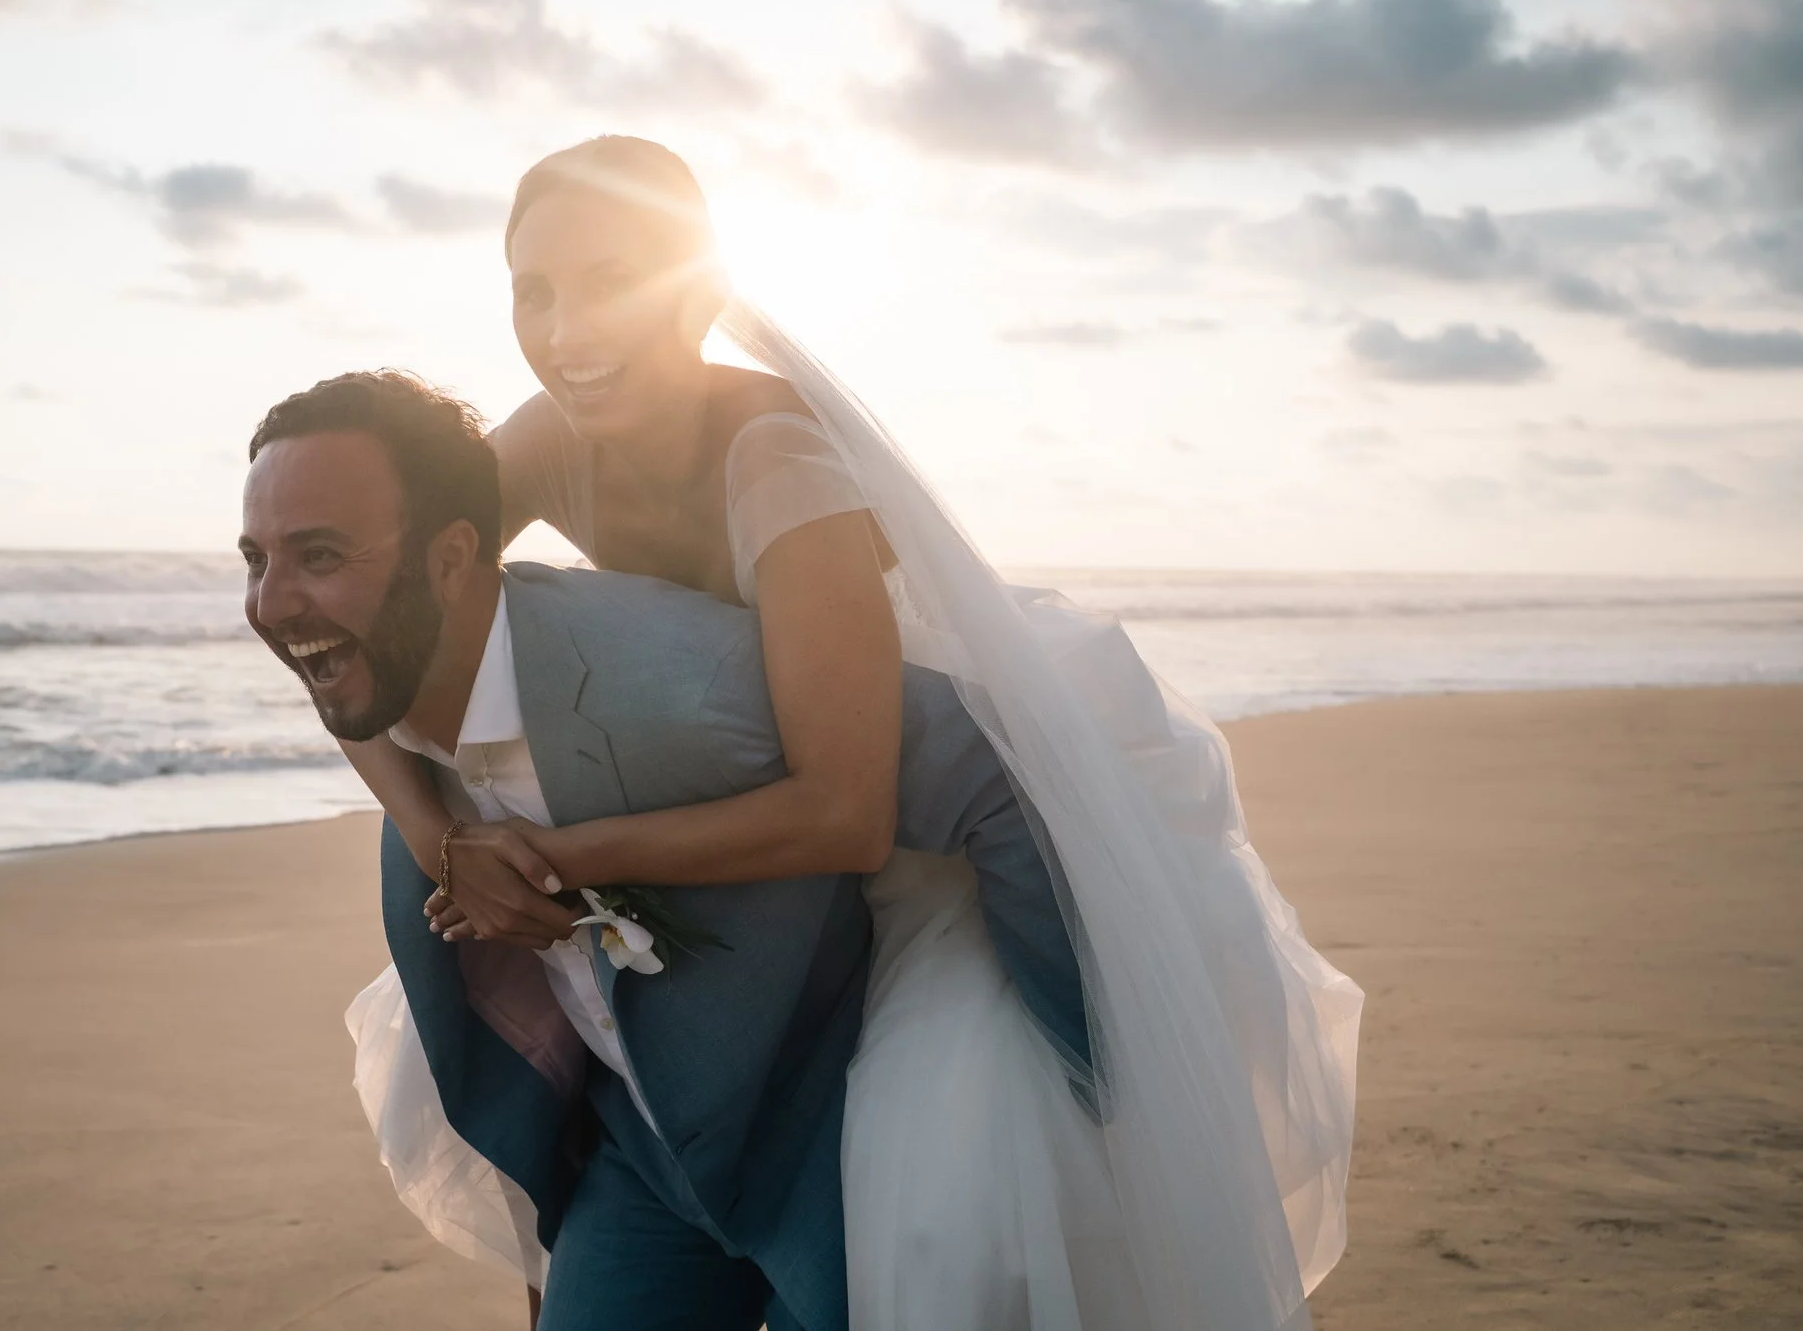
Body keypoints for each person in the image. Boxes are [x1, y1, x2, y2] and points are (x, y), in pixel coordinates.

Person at [339, 137, 1362, 1330]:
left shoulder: (778, 457)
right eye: (535, 291)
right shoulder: (543, 433)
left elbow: (850, 808)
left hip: (938, 811)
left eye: (611, 280)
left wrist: (558, 856)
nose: (567, 331)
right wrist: (441, 838)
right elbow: (366, 625)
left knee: (975, 1187)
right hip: (741, 763)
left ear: (698, 289)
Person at [239, 371, 1094, 1330]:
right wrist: (441, 845)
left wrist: (1088, 1086)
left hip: (835, 1145)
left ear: (449, 559)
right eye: (256, 560)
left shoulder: (685, 684)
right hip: (644, 1161)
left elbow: (995, 766)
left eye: (319, 555)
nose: (271, 604)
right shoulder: (382, 697)